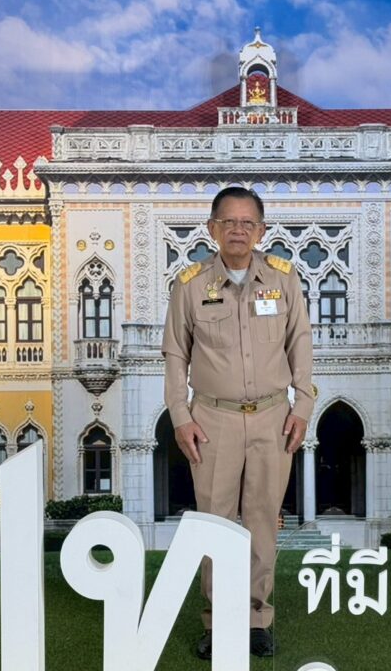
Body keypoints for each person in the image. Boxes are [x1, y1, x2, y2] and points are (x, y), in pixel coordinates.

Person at [161, 186, 314, 660]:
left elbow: (300, 342)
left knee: (263, 522)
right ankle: (218, 621)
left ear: (261, 231)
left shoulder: (283, 280)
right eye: (229, 222)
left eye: (248, 223)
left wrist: (303, 406)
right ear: (212, 229)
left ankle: (256, 620)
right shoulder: (190, 285)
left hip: (272, 418)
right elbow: (175, 354)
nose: (238, 231)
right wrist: (180, 416)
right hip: (213, 419)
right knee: (215, 523)